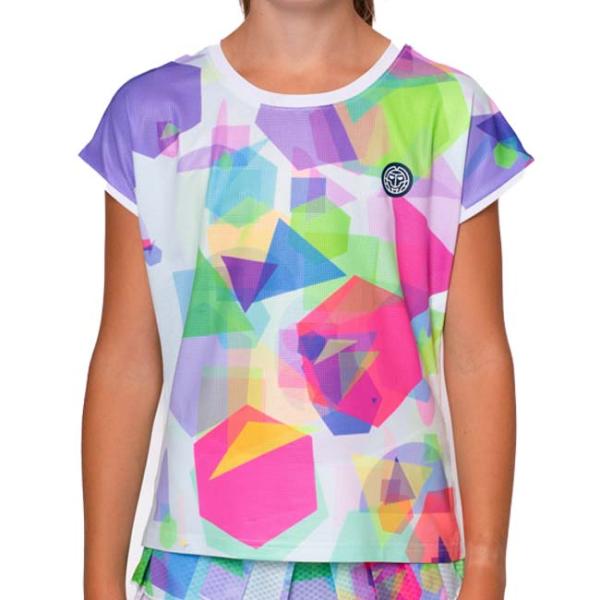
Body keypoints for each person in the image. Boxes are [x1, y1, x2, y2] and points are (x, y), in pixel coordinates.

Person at [77, 0, 534, 598]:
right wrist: (99, 579)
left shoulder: (447, 106)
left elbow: (476, 356)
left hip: (397, 555)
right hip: (201, 559)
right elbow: (127, 360)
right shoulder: (155, 113)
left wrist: (487, 564)